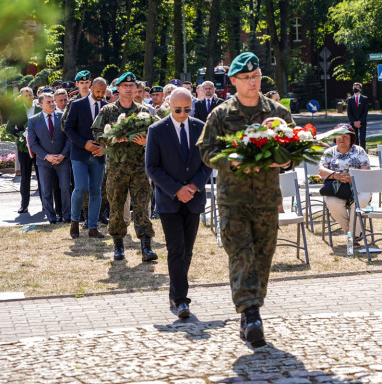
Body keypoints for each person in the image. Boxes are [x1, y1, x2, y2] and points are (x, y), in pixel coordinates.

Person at [197, 52, 293, 349]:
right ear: (234, 81)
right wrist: (232, 162)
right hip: (233, 200)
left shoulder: (277, 113)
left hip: (266, 200)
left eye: (256, 76)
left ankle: (250, 312)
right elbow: (206, 151)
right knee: (242, 256)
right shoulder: (222, 115)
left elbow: (293, 149)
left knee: (263, 257)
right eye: (246, 78)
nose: (253, 82)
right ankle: (251, 315)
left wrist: (284, 163)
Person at [146, 88, 211, 319]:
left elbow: (208, 161)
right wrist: (176, 189)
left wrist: (193, 186)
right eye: (178, 110)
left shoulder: (200, 127)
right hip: (169, 200)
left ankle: (175, 292)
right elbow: (152, 167)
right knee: (176, 249)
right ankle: (182, 300)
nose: (183, 114)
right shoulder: (156, 130)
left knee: (188, 250)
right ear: (168, 105)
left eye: (187, 109)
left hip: (193, 198)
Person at [92, 71, 157, 262]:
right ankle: (118, 246)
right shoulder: (107, 111)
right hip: (116, 169)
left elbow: (159, 133)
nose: (129, 89)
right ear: (118, 88)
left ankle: (146, 247)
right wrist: (112, 138)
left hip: (139, 169)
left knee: (142, 206)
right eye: (125, 86)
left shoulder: (144, 112)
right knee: (117, 207)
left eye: (132, 86)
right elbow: (96, 132)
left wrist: (147, 140)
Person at [64, 77, 108, 240]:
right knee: (81, 188)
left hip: (98, 155)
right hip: (80, 154)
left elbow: (112, 132)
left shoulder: (106, 107)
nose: (100, 95)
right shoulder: (77, 105)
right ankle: (74, 222)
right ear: (91, 88)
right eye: (98, 92)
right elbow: (68, 128)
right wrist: (84, 144)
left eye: (103, 92)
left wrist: (105, 147)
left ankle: (93, 227)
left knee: (96, 190)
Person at [318, 125, 371, 248]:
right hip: (336, 189)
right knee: (332, 203)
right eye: (339, 136)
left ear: (351, 139)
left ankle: (352, 237)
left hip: (357, 187)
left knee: (360, 201)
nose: (341, 139)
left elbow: (366, 168)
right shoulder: (329, 152)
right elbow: (321, 171)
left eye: (345, 137)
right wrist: (337, 176)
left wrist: (352, 176)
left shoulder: (359, 151)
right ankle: (353, 234)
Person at [27, 92, 71, 224]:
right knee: (46, 190)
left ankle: (66, 216)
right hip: (44, 162)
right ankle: (51, 218)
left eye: (53, 101)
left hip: (62, 160)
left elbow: (68, 138)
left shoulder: (62, 116)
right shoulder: (33, 120)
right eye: (49, 102)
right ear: (40, 105)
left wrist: (63, 155)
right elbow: (33, 143)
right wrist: (47, 156)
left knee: (65, 187)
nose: (52, 104)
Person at [6, 87, 42, 214]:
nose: (28, 97)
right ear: (21, 97)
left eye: (30, 95)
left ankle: (46, 205)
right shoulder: (17, 111)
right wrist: (21, 135)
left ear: (33, 96)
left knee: (41, 176)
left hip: (40, 148)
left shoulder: (40, 108)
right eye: (25, 96)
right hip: (24, 149)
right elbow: (8, 128)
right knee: (25, 177)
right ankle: (24, 205)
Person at [346, 82, 369, 151]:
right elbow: (349, 112)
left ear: (360, 89)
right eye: (354, 87)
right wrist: (354, 122)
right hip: (353, 123)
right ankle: (355, 153)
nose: (355, 88)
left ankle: (363, 152)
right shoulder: (350, 100)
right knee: (355, 139)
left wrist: (360, 121)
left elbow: (365, 112)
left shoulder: (364, 99)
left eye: (357, 87)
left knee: (362, 139)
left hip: (362, 122)